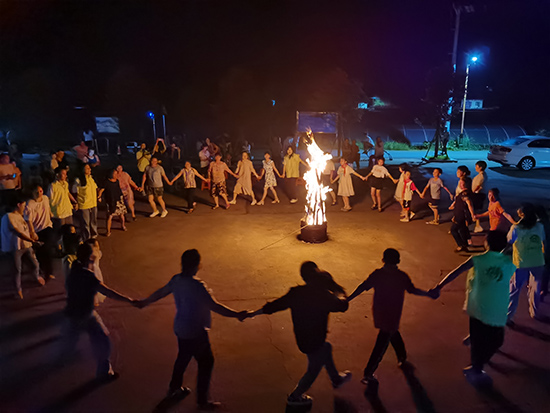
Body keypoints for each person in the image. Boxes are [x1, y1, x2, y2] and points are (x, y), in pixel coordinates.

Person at [135, 249, 246, 410]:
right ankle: (202, 401)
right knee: (206, 362)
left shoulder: (176, 280)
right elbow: (215, 306)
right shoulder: (198, 286)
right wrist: (237, 314)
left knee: (183, 356)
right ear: (197, 265)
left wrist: (144, 302)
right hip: (195, 330)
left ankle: (174, 388)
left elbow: (161, 292)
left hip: (180, 327)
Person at [244, 262, 351, 406]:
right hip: (315, 340)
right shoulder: (323, 296)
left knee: (327, 348)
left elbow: (274, 306)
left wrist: (252, 314)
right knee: (313, 370)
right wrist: (336, 290)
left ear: (302, 277)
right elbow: (343, 306)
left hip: (302, 338)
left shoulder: (296, 293)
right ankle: (295, 396)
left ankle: (336, 379)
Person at [347, 248, 438, 395]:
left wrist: (349, 299)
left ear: (383, 260)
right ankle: (401, 357)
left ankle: (369, 372)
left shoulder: (377, 275)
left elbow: (362, 287)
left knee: (382, 342)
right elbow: (412, 290)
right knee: (391, 332)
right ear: (398, 261)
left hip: (380, 313)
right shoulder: (402, 276)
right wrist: (429, 294)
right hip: (394, 313)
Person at [433, 231, 515, 386]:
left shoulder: (478, 259)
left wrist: (439, 287)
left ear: (486, 244)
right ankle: (476, 368)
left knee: (482, 340)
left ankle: (476, 363)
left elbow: (456, 271)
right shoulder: (509, 261)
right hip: (497, 307)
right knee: (496, 340)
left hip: (478, 306)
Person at [62, 242, 136, 380]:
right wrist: (129, 300)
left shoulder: (74, 269)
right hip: (86, 314)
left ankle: (64, 356)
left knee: (71, 337)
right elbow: (107, 292)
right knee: (103, 341)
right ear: (89, 257)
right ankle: (104, 371)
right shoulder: (88, 276)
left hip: (72, 313)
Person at [507, 203, 546, 322]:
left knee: (514, 290)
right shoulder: (539, 226)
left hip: (521, 262)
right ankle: (534, 312)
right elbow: (543, 239)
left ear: (521, 215)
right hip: (538, 261)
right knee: (535, 288)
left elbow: (509, 240)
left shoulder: (516, 228)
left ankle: (508, 316)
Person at [1, 195, 45, 299]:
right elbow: (17, 232)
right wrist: (32, 241)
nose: (24, 208)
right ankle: (18, 290)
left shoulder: (19, 215)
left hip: (26, 245)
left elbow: (24, 229)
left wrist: (31, 236)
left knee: (35, 264)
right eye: (23, 206)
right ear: (18, 205)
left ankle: (36, 276)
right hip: (15, 248)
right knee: (17, 269)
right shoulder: (8, 217)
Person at [25, 185, 55, 280]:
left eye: (41, 191)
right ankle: (42, 269)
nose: (39, 194)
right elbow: (28, 220)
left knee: (48, 249)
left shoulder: (45, 198)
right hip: (37, 230)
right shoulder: (30, 204)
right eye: (37, 192)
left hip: (47, 226)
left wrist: (50, 214)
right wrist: (32, 232)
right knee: (41, 251)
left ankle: (49, 272)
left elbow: (48, 207)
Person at [450, 176, 476, 252]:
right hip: (458, 215)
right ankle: (465, 244)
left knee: (453, 230)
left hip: (461, 216)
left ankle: (461, 245)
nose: (461, 184)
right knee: (462, 230)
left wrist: (472, 215)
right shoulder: (462, 193)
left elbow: (469, 205)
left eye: (462, 183)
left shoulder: (465, 194)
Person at [74, 164, 99, 240]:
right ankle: (87, 237)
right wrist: (76, 202)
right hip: (84, 204)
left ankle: (94, 234)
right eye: (87, 168)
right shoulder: (78, 180)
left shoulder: (91, 178)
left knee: (93, 220)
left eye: (89, 168)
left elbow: (95, 188)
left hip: (93, 203)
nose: (89, 169)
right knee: (86, 222)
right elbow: (74, 192)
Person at [99, 169, 127, 236]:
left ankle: (123, 226)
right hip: (110, 201)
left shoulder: (117, 181)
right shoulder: (106, 182)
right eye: (115, 174)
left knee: (121, 215)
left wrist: (122, 195)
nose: (116, 175)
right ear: (111, 174)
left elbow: (118, 190)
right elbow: (101, 190)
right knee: (109, 216)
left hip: (118, 200)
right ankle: (108, 231)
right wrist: (99, 197)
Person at [534, 205, 550, 300]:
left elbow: (541, 238)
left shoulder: (539, 223)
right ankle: (544, 289)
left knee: (542, 270)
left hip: (544, 248)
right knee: (547, 270)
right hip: (548, 247)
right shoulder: (547, 221)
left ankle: (540, 290)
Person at [472, 161, 489, 233]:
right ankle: (477, 224)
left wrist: (473, 192)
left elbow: (478, 186)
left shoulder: (481, 176)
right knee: (475, 209)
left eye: (476, 166)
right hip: (478, 194)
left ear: (480, 167)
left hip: (478, 195)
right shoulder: (482, 175)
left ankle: (478, 225)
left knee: (476, 210)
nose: (475, 168)